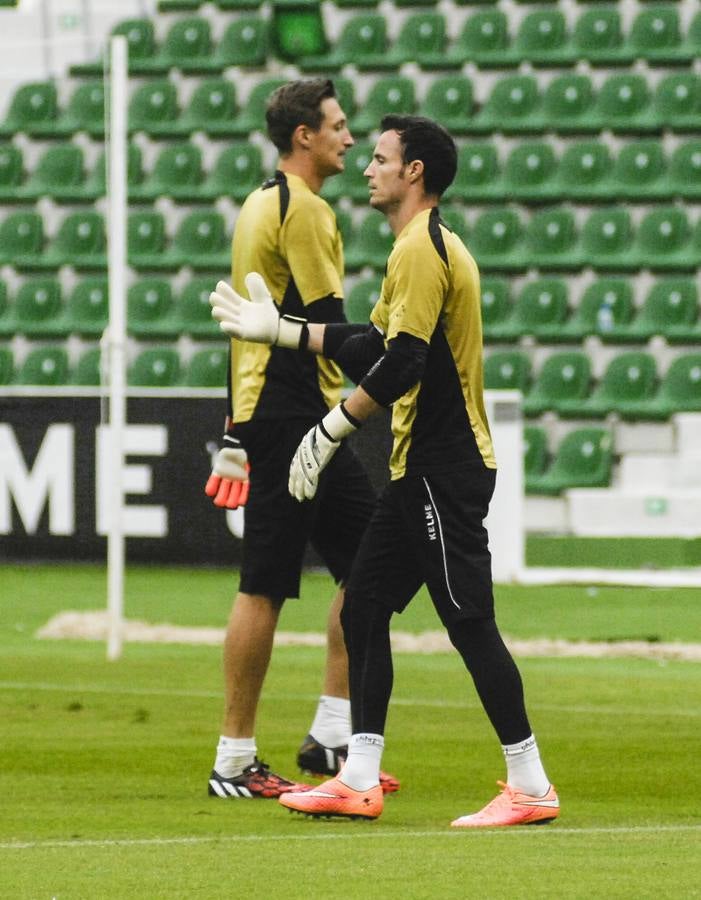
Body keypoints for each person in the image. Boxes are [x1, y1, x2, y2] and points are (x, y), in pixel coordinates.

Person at [209, 115, 559, 827]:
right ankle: (356, 775)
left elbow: (403, 363)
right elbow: (371, 342)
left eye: (380, 158)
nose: (367, 168)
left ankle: (529, 783)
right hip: (416, 469)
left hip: (444, 467)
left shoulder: (425, 248)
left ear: (415, 173)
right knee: (364, 608)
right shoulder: (412, 248)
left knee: (468, 622)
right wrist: (280, 331)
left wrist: (333, 425)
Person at [205, 78, 398, 800]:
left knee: (368, 570)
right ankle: (232, 761)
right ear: (303, 138)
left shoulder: (260, 201)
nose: (349, 139)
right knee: (265, 582)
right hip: (293, 414)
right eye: (338, 126)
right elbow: (331, 333)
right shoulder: (304, 210)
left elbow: (245, 328)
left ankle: (329, 738)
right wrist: (392, 352)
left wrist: (233, 425)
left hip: (274, 409)